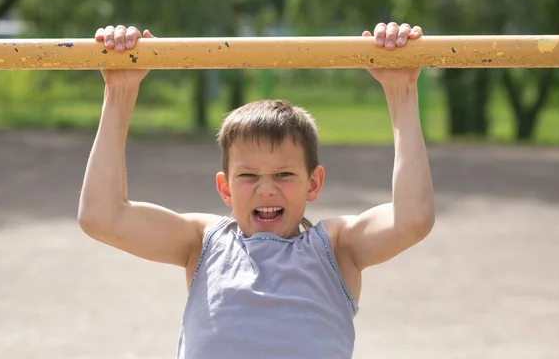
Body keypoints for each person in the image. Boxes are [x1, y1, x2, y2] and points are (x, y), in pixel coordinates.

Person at [78, 22, 435, 359]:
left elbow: (412, 219)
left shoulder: (336, 249)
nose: (266, 190)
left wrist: (401, 93)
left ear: (313, 183)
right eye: (248, 175)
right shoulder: (203, 243)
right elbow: (102, 217)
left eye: (283, 174)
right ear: (225, 188)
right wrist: (119, 93)